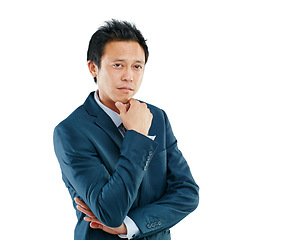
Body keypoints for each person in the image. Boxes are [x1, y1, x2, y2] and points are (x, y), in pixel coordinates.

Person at [53, 19, 199, 240]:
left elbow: (187, 193)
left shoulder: (157, 117)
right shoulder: (70, 131)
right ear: (94, 67)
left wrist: (131, 225)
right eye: (118, 65)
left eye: (137, 66)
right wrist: (137, 136)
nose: (129, 76)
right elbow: (110, 212)